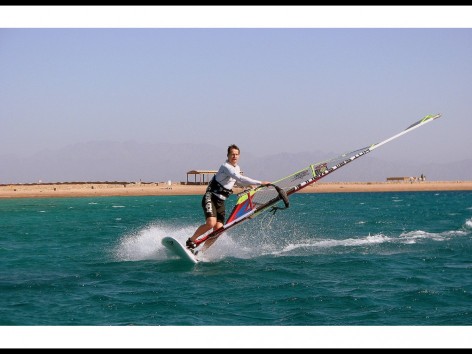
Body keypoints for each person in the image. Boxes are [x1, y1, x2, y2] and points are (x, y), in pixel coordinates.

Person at [186, 144, 270, 251]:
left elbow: (236, 182)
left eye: (236, 154)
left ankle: (202, 251)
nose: (234, 156)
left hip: (221, 201)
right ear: (228, 155)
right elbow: (238, 177)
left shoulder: (237, 168)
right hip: (211, 197)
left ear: (239, 156)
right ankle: (191, 240)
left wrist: (248, 185)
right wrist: (260, 183)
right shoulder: (225, 167)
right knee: (211, 223)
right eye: (232, 154)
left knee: (219, 230)